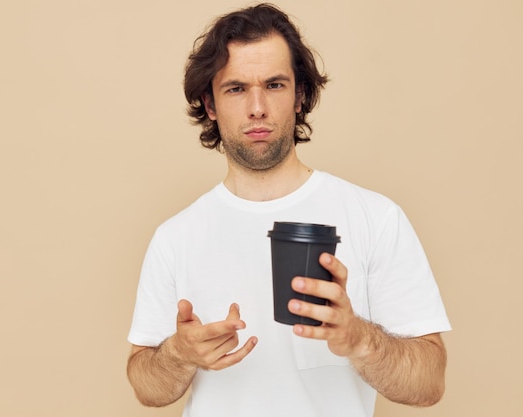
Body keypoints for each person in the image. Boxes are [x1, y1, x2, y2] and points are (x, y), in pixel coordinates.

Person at [126, 3, 451, 417]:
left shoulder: (376, 218)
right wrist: (177, 354)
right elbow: (146, 386)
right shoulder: (175, 236)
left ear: (300, 96)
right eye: (236, 88)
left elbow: (429, 384)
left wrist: (360, 339)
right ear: (210, 104)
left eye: (275, 85)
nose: (257, 107)